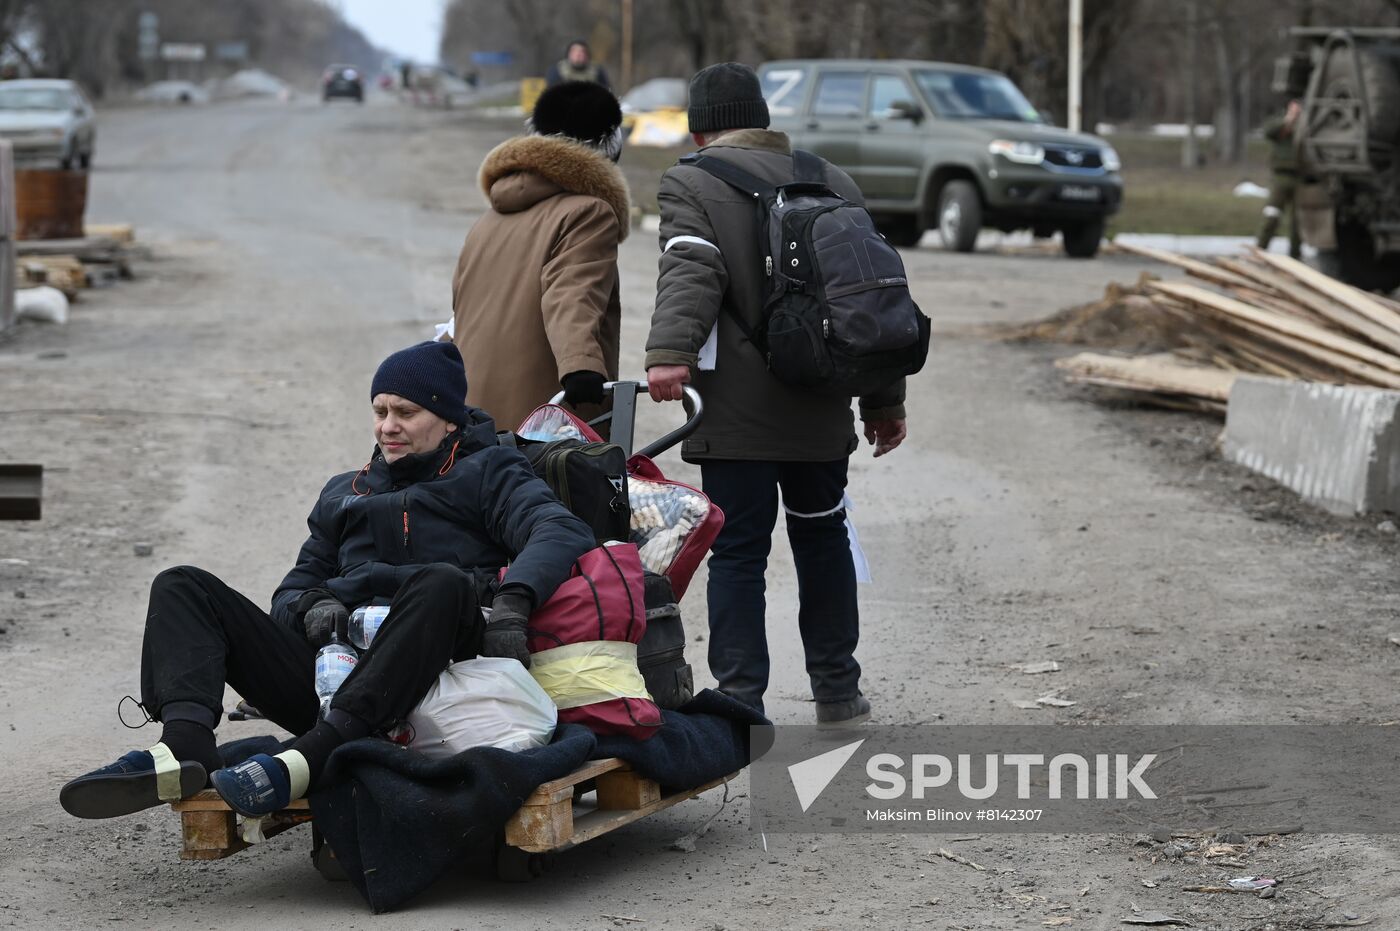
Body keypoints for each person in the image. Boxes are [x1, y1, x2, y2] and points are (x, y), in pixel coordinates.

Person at [59, 341, 594, 820]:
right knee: (182, 585)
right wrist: (312, 606)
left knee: (442, 582)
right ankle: (185, 748)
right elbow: (290, 592)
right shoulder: (346, 491)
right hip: (333, 677)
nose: (388, 426)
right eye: (380, 411)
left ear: (449, 419)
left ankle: (316, 756)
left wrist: (513, 603)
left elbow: (558, 530)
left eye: (406, 412)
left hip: (434, 675)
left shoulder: (490, 472)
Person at [643, 62, 908, 724]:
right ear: (761, 118)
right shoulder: (831, 177)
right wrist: (884, 401)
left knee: (738, 552)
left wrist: (669, 355)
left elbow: (691, 268)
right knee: (823, 538)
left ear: (699, 129)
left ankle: (740, 698)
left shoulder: (692, 181)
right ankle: (837, 687)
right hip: (822, 399)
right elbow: (870, 296)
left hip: (737, 410)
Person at [451, 80, 629, 431]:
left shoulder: (490, 218)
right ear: (608, 145)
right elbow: (571, 293)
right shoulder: (589, 213)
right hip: (544, 418)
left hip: (473, 411)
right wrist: (581, 366)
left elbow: (460, 311)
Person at [1257, 99, 1303, 259]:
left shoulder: (1305, 126)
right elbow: (1268, 131)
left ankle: (1295, 256)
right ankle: (1260, 250)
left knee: (1298, 222)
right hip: (1281, 177)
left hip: (1300, 178)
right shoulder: (1281, 124)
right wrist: (1288, 120)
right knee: (1272, 214)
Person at [545, 40, 611, 90]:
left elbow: (606, 92)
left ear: (587, 55)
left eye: (582, 52)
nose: (578, 54)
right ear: (568, 54)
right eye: (575, 51)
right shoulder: (557, 71)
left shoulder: (597, 72)